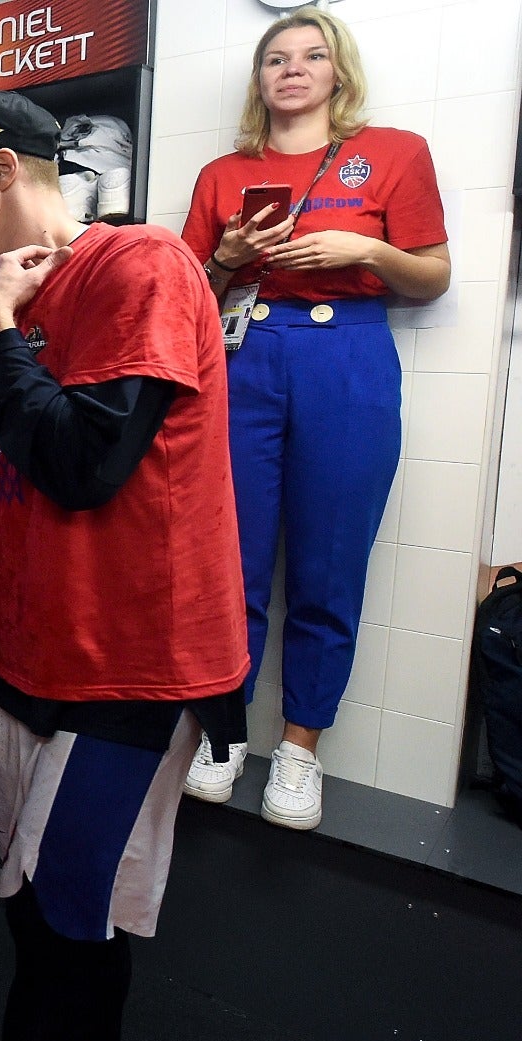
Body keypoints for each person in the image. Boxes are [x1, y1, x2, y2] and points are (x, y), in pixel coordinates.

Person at [0, 90, 248, 1041]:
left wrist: (0, 329)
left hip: (132, 663)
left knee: (61, 908)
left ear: (3, 169)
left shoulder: (140, 264)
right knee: (43, 919)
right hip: (27, 656)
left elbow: (86, 464)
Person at [181, 6, 450, 830]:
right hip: (248, 361)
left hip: (349, 361)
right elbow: (186, 293)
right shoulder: (224, 172)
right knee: (231, 560)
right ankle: (223, 736)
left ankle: (300, 751)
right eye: (274, 58)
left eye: (311, 55)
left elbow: (434, 275)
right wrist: (225, 258)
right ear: (259, 79)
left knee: (329, 569)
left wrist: (363, 251)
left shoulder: (395, 153)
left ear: (339, 72)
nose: (292, 68)